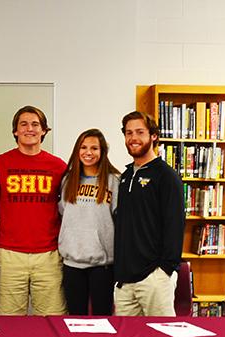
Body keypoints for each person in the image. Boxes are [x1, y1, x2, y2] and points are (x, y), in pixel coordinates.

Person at [0, 105, 68, 315]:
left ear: (44, 130)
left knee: (52, 320)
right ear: (15, 131)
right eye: (23, 124)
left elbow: (66, 208)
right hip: (10, 254)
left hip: (49, 255)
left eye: (35, 124)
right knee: (9, 321)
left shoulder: (59, 167)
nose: (29, 129)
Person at [114, 111, 185, 316]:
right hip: (125, 281)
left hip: (154, 278)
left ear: (153, 136)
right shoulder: (126, 176)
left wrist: (164, 270)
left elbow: (175, 225)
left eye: (139, 132)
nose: (133, 138)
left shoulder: (166, 176)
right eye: (128, 133)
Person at [57, 129, 120, 315]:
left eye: (94, 148)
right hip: (72, 263)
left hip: (103, 265)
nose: (88, 152)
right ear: (77, 150)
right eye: (83, 147)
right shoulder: (68, 180)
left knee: (102, 319)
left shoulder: (114, 181)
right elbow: (63, 213)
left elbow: (119, 218)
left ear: (103, 152)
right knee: (75, 319)